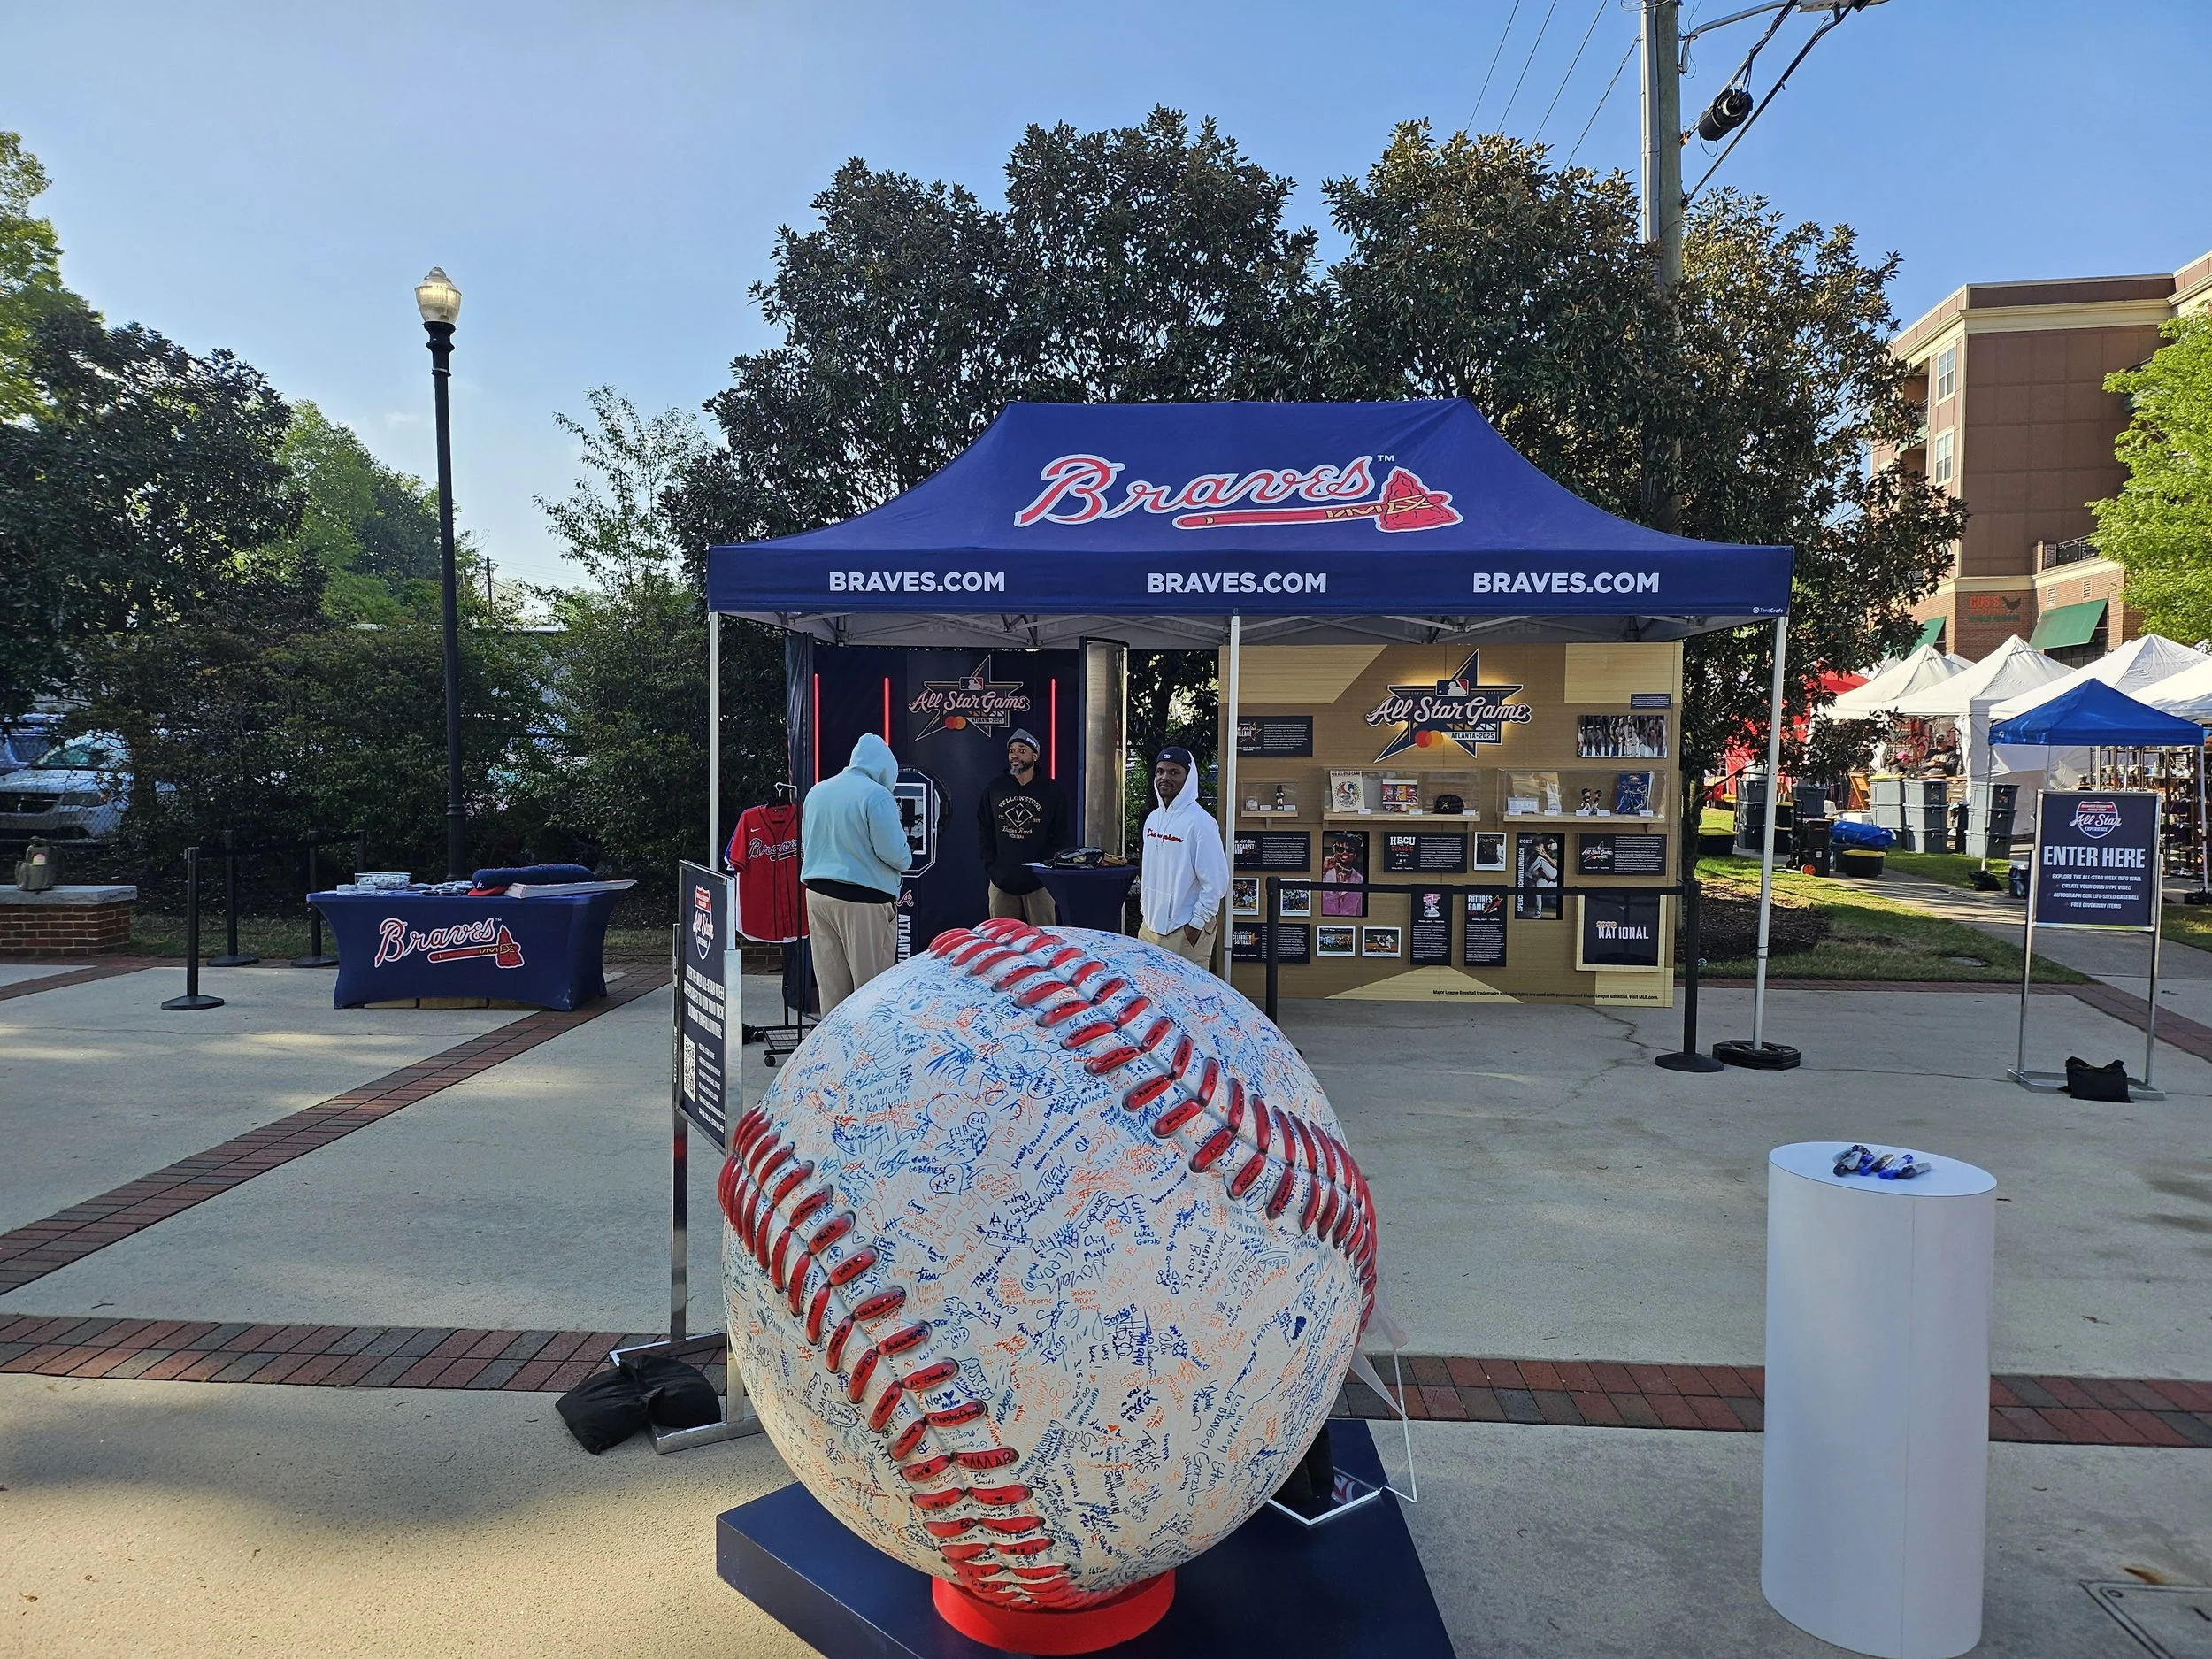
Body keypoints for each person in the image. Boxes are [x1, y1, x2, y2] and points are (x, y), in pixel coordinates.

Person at [800, 733, 912, 1012]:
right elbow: (894, 853)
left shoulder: (818, 790)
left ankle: (833, 1051)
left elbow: (807, 843)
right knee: (870, 988)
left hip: (817, 894)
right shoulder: (877, 795)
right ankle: (868, 1052)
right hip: (863, 900)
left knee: (831, 985)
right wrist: (906, 856)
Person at [1138, 747, 1228, 966]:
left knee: (1188, 998)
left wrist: (1195, 924)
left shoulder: (1201, 823)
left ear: (1189, 778)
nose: (1164, 778)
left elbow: (1216, 883)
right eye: (1160, 771)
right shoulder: (1152, 820)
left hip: (1185, 930)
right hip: (1150, 928)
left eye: (1174, 772)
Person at [977, 727, 1069, 924]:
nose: (1015, 755)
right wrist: (993, 868)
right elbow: (985, 829)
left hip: (1040, 885)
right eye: (1012, 751)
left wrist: (1045, 869)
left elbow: (1060, 834)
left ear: (1034, 756)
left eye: (1022, 750)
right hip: (1002, 883)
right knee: (1001, 941)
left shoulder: (1052, 791)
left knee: (1044, 941)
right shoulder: (995, 787)